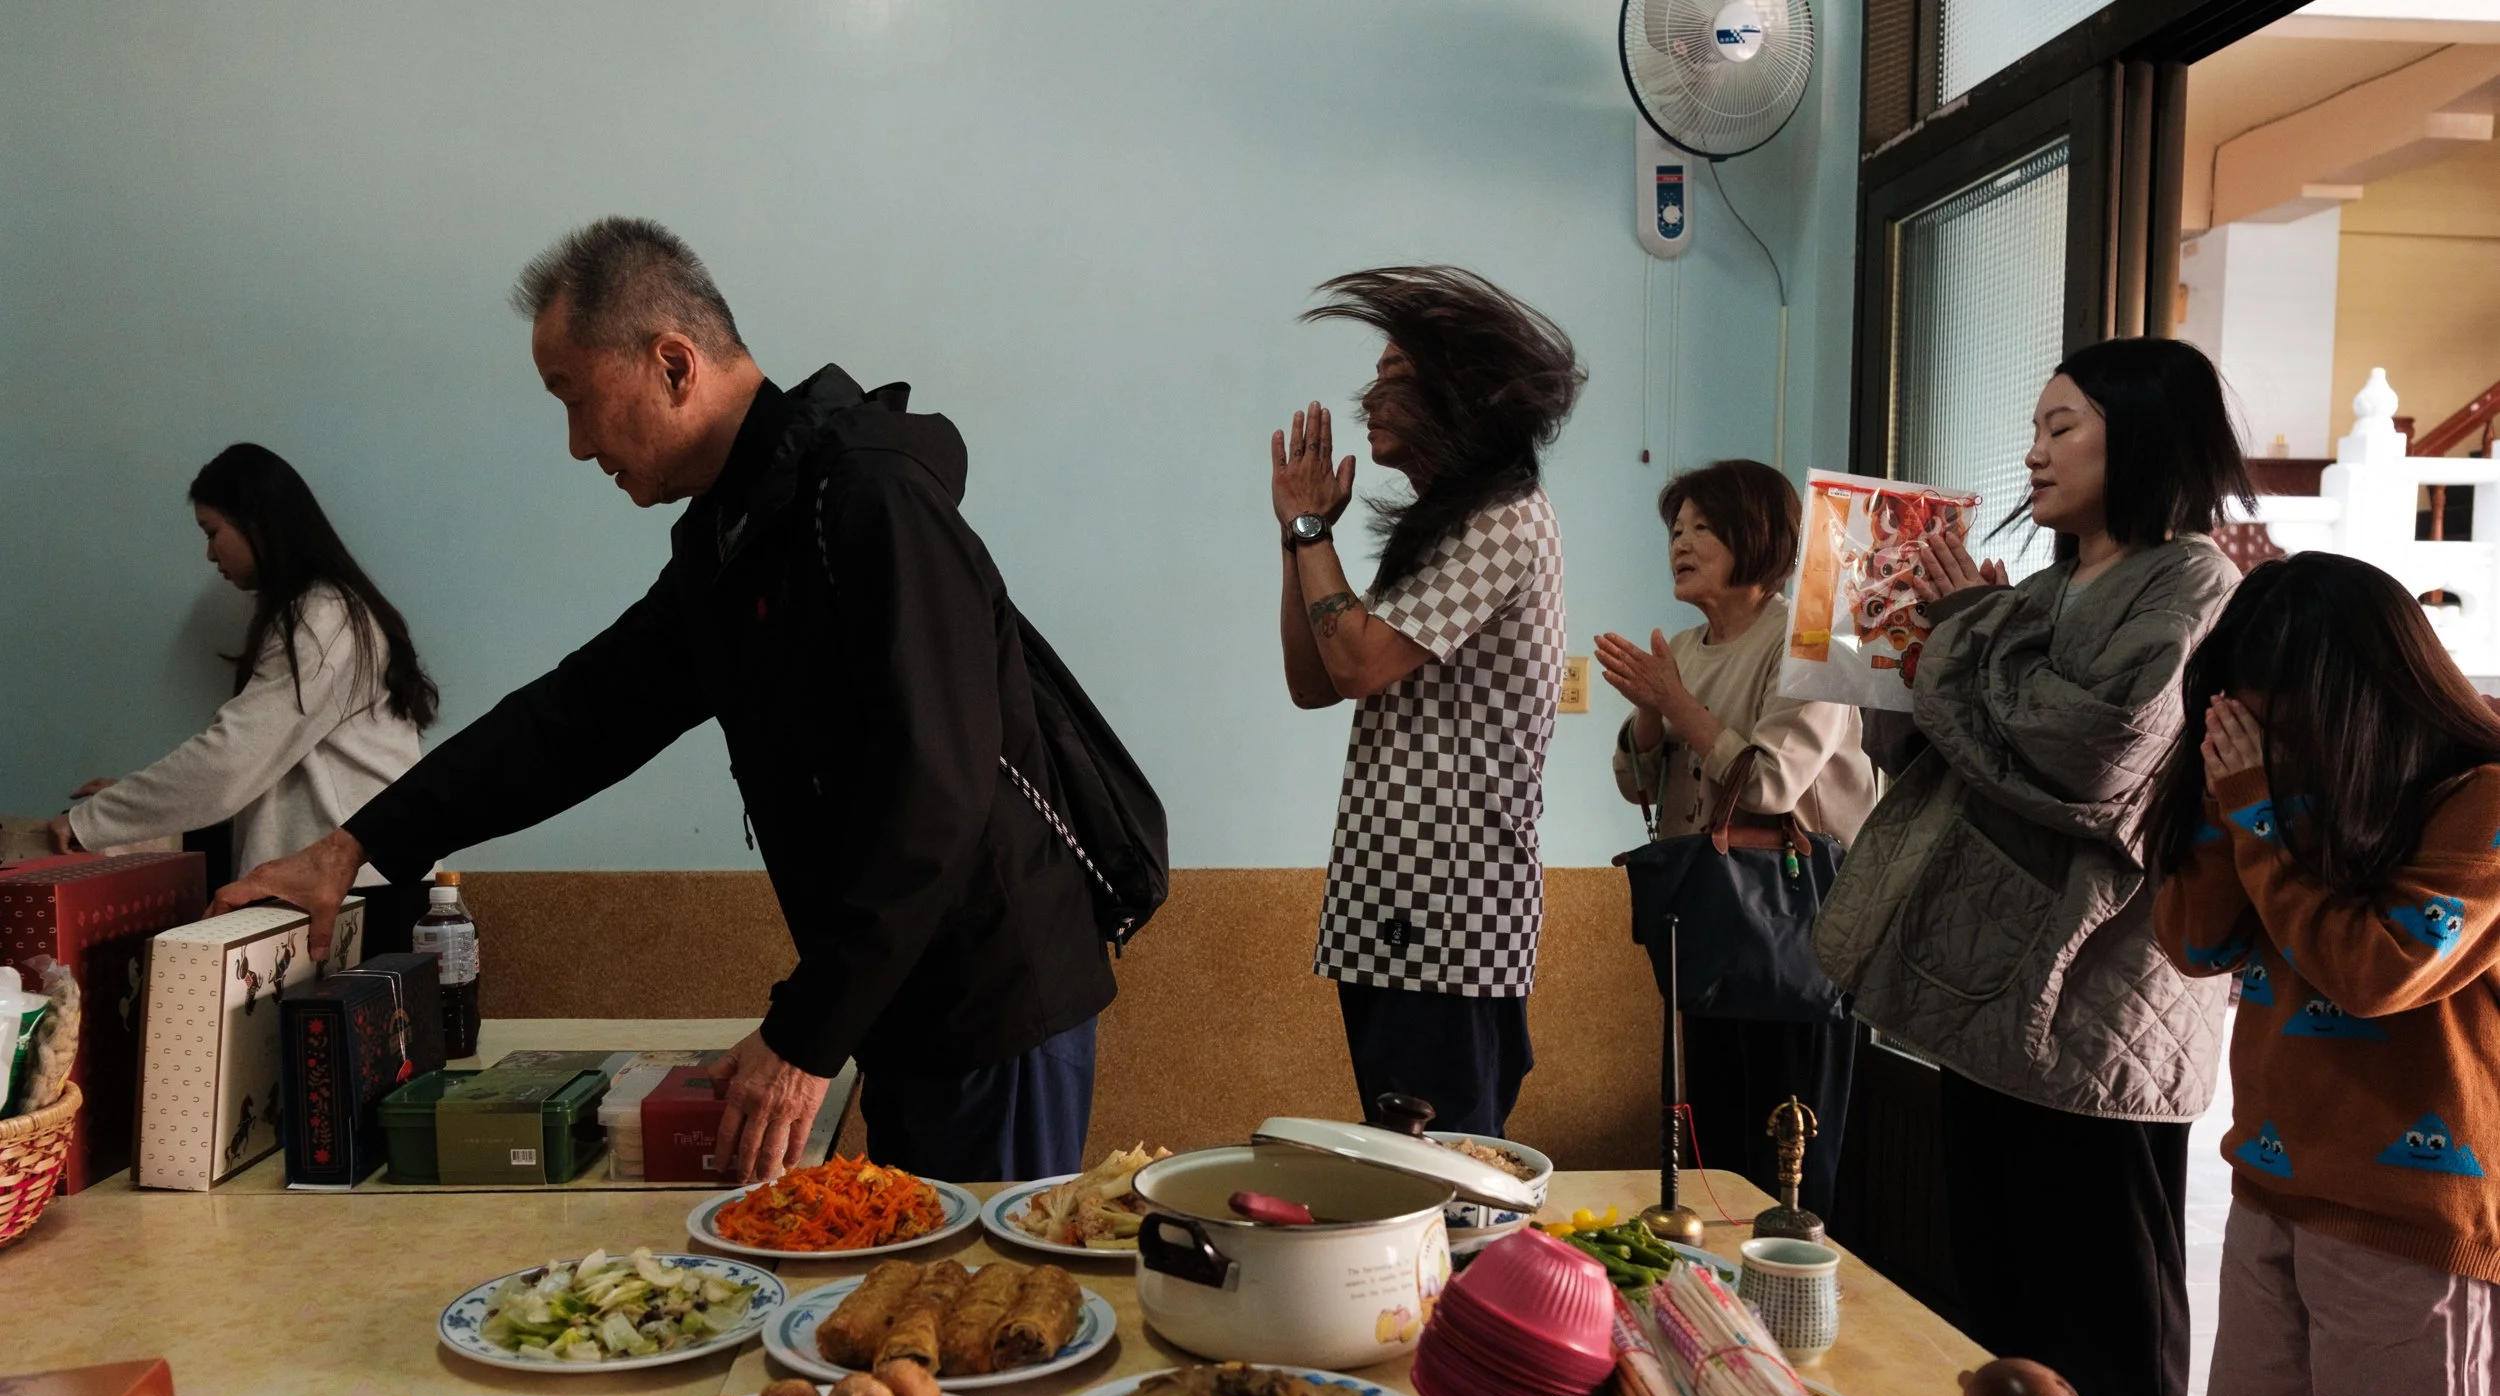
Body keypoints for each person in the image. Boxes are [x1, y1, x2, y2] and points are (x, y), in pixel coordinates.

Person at [212, 217, 1114, 1184]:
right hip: (898, 1000)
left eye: (575, 399)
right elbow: (578, 718)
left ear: (674, 363)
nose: (574, 444)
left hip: (989, 1000)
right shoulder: (735, 534)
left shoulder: (868, 499)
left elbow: (936, 794)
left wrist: (803, 1036)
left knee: (984, 1307)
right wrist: (358, 843)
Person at [1812, 335, 2250, 1396]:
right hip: (1981, 991)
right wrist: (1882, 652)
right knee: (2002, 1299)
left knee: (2101, 1318)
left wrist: (1967, 635)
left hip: (2095, 1004)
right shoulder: (2048, 587)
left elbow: (2096, 759)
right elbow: (1956, 748)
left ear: (2144, 432)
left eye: (2062, 426)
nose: (2033, 451)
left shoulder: (2195, 581)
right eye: (2037, 426)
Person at [2149, 553, 2500, 1396]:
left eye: (2287, 710)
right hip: (2272, 1187)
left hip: (2411, 1216)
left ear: (2361, 693)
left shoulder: (2481, 798)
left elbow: (2377, 967)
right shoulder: (2288, 798)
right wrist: (2220, 800)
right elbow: (2194, 941)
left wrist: (2258, 810)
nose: (2271, 738)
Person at [1270, 266, 1583, 1137]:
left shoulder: (1506, 519)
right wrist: (1301, 535)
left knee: (1446, 1195)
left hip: (1449, 924)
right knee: (1401, 1183)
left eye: (1397, 373)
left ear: (1461, 393)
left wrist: (1309, 533)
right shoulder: (1450, 521)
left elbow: (1360, 660)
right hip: (1391, 910)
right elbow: (1316, 680)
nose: (1370, 393)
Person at [1597, 459, 1876, 1220]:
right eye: (1676, 530)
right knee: (1717, 1153)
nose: (1680, 545)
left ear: (1757, 539)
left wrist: (1674, 704)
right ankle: (1715, 1318)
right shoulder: (1683, 648)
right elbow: (1637, 784)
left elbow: (1770, 785)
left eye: (1703, 529)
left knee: (1787, 1154)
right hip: (1715, 923)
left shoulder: (1814, 645)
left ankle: (1788, 1315)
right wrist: (1651, 715)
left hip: (1798, 927)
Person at [49, 444, 435, 951]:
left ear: (257, 522)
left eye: (213, 533)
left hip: (363, 894)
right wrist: (130, 800)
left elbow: (231, 762)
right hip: (353, 886)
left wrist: (90, 823)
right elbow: (258, 762)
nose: (210, 554)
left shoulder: (324, 619)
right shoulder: (316, 614)